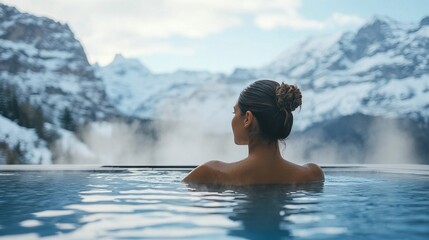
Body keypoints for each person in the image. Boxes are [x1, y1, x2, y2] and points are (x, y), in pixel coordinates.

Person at [183, 80, 324, 185]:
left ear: (247, 119)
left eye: (235, 112)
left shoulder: (209, 174)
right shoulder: (312, 175)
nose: (232, 119)